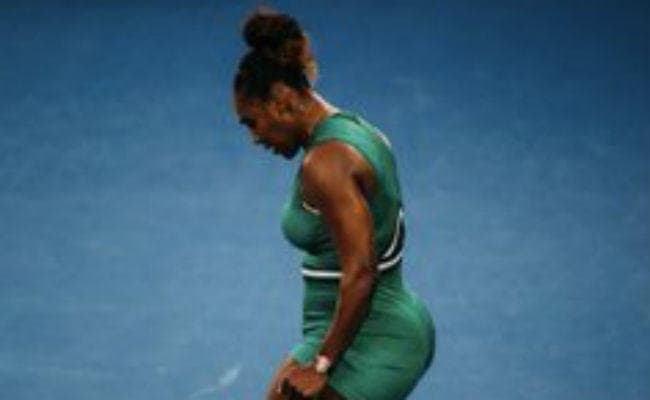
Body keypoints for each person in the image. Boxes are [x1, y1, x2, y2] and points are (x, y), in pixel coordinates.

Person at [233, 9, 435, 400]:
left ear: (281, 100)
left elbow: (361, 270)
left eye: (251, 122)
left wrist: (322, 364)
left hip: (374, 338)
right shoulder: (350, 127)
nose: (254, 138)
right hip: (347, 331)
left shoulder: (326, 163)